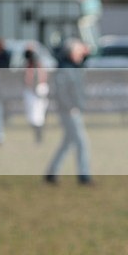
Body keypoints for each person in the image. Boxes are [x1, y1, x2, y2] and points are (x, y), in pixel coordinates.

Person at [45, 39, 92, 185]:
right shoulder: (65, 68)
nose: (80, 55)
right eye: (77, 51)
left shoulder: (73, 66)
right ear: (70, 53)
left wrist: (86, 53)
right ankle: (84, 177)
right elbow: (60, 91)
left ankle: (51, 173)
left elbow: (83, 63)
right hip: (69, 111)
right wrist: (69, 107)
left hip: (73, 109)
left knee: (68, 143)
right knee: (81, 143)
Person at [23, 47, 49, 143]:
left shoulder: (37, 66)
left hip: (37, 91)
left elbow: (32, 79)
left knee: (37, 116)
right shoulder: (32, 66)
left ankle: (39, 138)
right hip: (34, 92)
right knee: (35, 116)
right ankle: (38, 137)